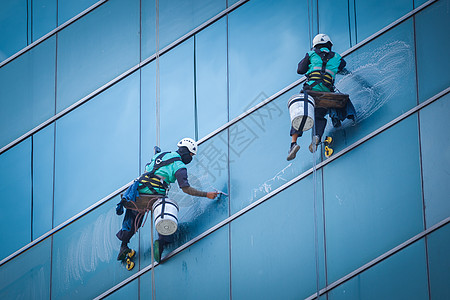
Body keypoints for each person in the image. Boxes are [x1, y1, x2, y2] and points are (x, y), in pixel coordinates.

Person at [116, 138, 218, 263]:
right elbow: (186, 189)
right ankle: (162, 242)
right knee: (167, 210)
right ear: (186, 152)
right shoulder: (179, 165)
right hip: (154, 195)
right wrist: (206, 194)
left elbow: (152, 167)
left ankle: (123, 246)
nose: (191, 158)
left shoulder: (162, 155)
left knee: (134, 216)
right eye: (191, 155)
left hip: (136, 193)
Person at [287, 33, 349, 161]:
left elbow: (300, 70)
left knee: (300, 113)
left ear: (315, 45)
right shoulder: (337, 57)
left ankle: (293, 143)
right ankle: (317, 137)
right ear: (329, 44)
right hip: (327, 93)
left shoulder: (311, 54)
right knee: (319, 116)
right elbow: (342, 65)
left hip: (310, 90)